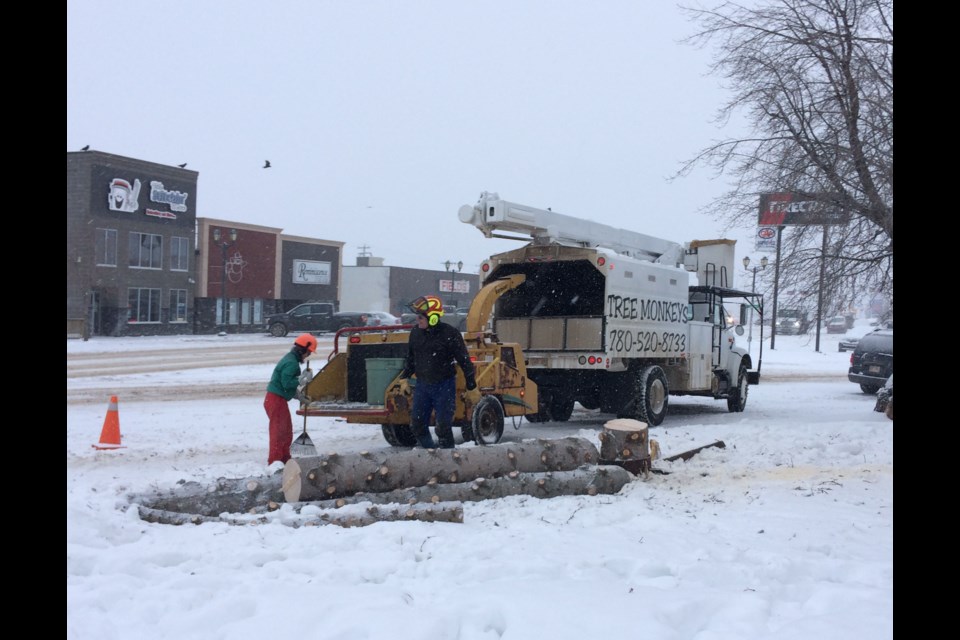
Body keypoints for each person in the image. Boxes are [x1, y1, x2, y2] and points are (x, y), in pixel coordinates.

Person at [395, 295, 480, 448]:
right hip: (422, 386)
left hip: (444, 386)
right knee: (417, 425)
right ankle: (431, 454)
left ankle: (448, 457)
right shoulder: (415, 333)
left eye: (420, 317)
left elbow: (464, 361)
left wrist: (471, 386)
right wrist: (404, 377)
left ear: (433, 318)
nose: (417, 320)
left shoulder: (450, 334)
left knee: (443, 427)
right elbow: (411, 358)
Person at [264, 333, 316, 465]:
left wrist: (300, 397)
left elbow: (286, 386)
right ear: (302, 350)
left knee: (285, 430)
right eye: (308, 353)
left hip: (277, 399)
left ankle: (284, 458)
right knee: (279, 432)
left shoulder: (291, 360)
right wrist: (302, 380)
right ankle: (275, 461)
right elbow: (286, 383)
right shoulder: (291, 363)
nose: (308, 356)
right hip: (276, 400)